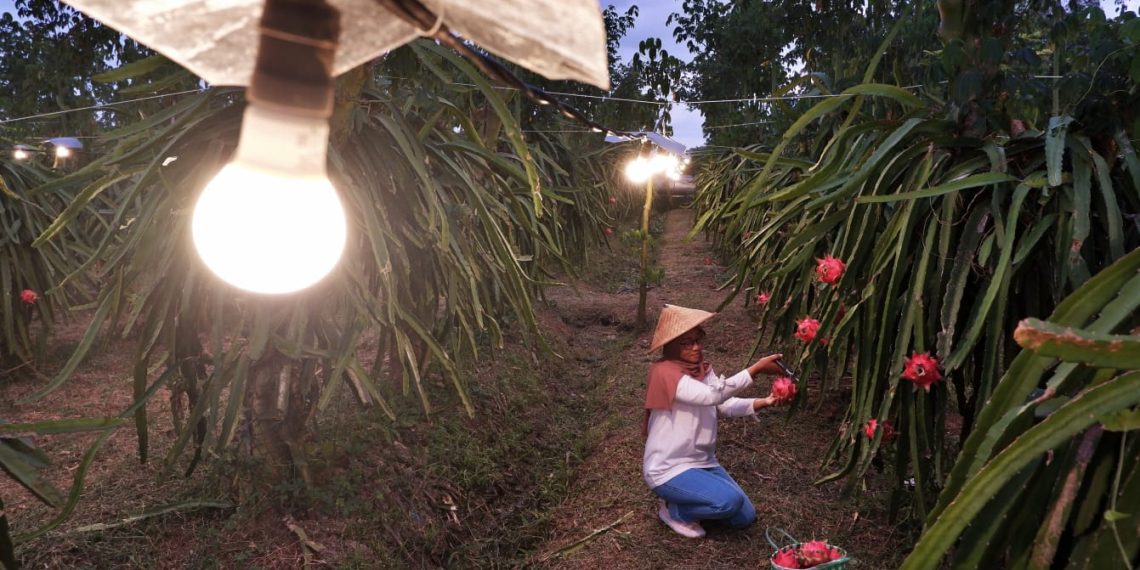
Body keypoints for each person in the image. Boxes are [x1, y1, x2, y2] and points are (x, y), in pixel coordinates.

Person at [642, 304, 789, 538]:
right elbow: (711, 396)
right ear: (670, 345)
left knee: (745, 517)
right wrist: (755, 369)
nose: (696, 347)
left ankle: (699, 500)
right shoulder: (665, 372)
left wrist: (765, 401)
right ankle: (676, 511)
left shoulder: (701, 369)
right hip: (668, 468)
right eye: (686, 342)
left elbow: (724, 405)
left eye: (698, 340)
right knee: (728, 503)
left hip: (703, 462)